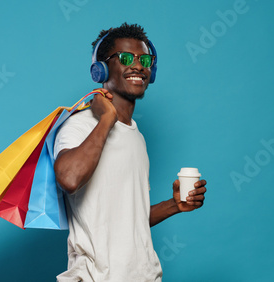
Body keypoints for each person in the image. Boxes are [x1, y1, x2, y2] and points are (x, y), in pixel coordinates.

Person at [53, 23, 207, 282]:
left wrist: (175, 205)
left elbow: (129, 220)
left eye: (144, 59)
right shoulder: (79, 125)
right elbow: (68, 179)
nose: (138, 66)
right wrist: (106, 120)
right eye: (126, 58)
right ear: (100, 69)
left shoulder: (137, 137)